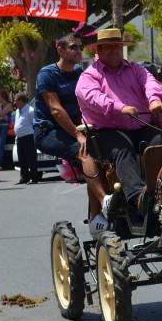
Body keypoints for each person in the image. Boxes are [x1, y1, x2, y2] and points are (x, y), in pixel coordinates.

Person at [75, 28, 162, 220]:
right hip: (108, 130)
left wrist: (154, 99)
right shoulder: (89, 76)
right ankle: (138, 199)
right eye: (108, 47)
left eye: (117, 46)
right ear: (98, 50)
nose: (114, 50)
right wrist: (119, 107)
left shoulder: (136, 69)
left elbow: (150, 82)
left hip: (141, 125)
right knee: (122, 150)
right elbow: (92, 97)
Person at [33, 32, 109, 239]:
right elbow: (55, 110)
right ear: (60, 50)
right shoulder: (47, 74)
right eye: (73, 47)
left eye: (80, 47)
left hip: (74, 128)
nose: (78, 51)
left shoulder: (79, 73)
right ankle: (105, 203)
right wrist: (78, 135)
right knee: (85, 154)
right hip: (47, 131)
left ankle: (96, 220)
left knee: (103, 159)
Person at [13, 92, 38, 184]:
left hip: (29, 137)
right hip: (20, 138)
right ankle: (24, 178)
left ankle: (34, 178)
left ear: (21, 101)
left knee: (31, 158)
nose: (14, 102)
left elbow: (34, 124)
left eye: (16, 100)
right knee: (22, 159)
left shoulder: (30, 111)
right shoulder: (17, 111)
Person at [0, 89, 14, 170]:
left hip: (4, 126)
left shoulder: (8, 104)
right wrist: (1, 116)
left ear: (4, 96)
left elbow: (1, 114)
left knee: (1, 145)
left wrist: (0, 108)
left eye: (0, 97)